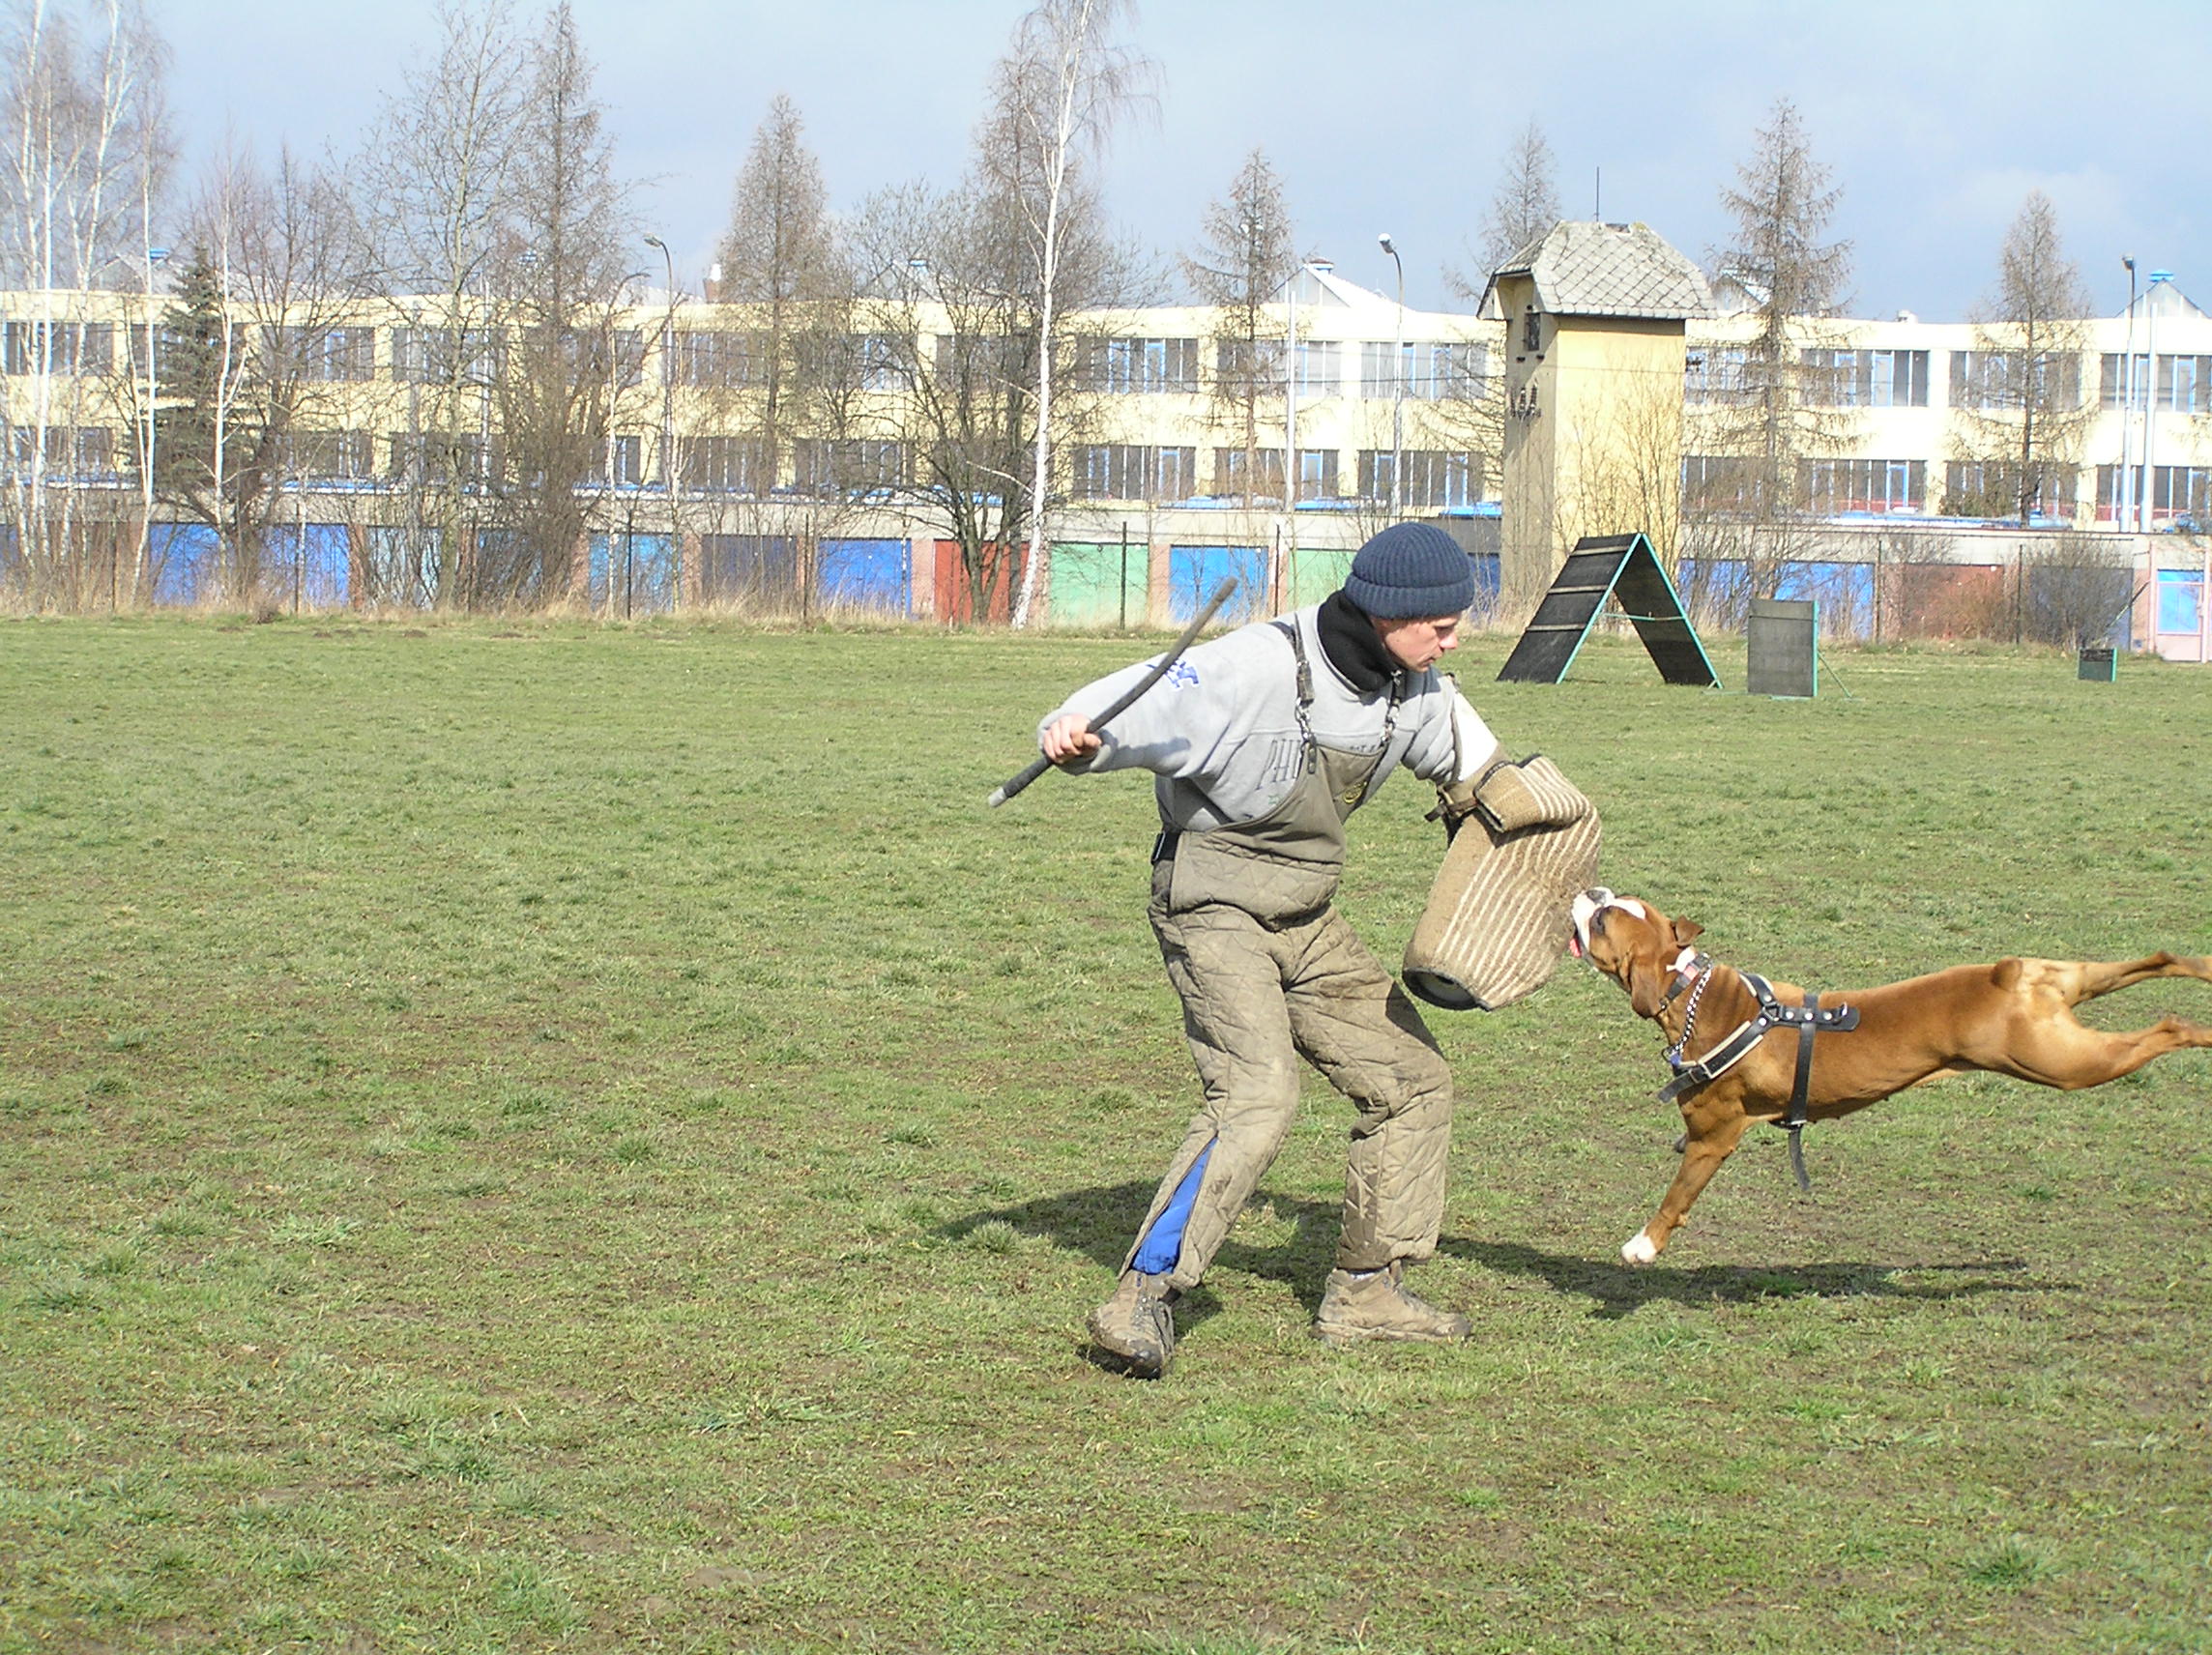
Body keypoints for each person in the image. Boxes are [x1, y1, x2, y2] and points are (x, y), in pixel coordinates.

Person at [1037, 521, 1505, 1378]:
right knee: (1257, 1094)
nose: (1453, 637)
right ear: (1384, 611)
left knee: (1413, 1082)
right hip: (1211, 906)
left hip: (1307, 916)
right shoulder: (1253, 666)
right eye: (1439, 623)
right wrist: (1080, 732)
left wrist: (1565, 876)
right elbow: (1146, 698)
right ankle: (1140, 1297)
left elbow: (1491, 779)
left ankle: (1367, 1292)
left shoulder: (1418, 688)